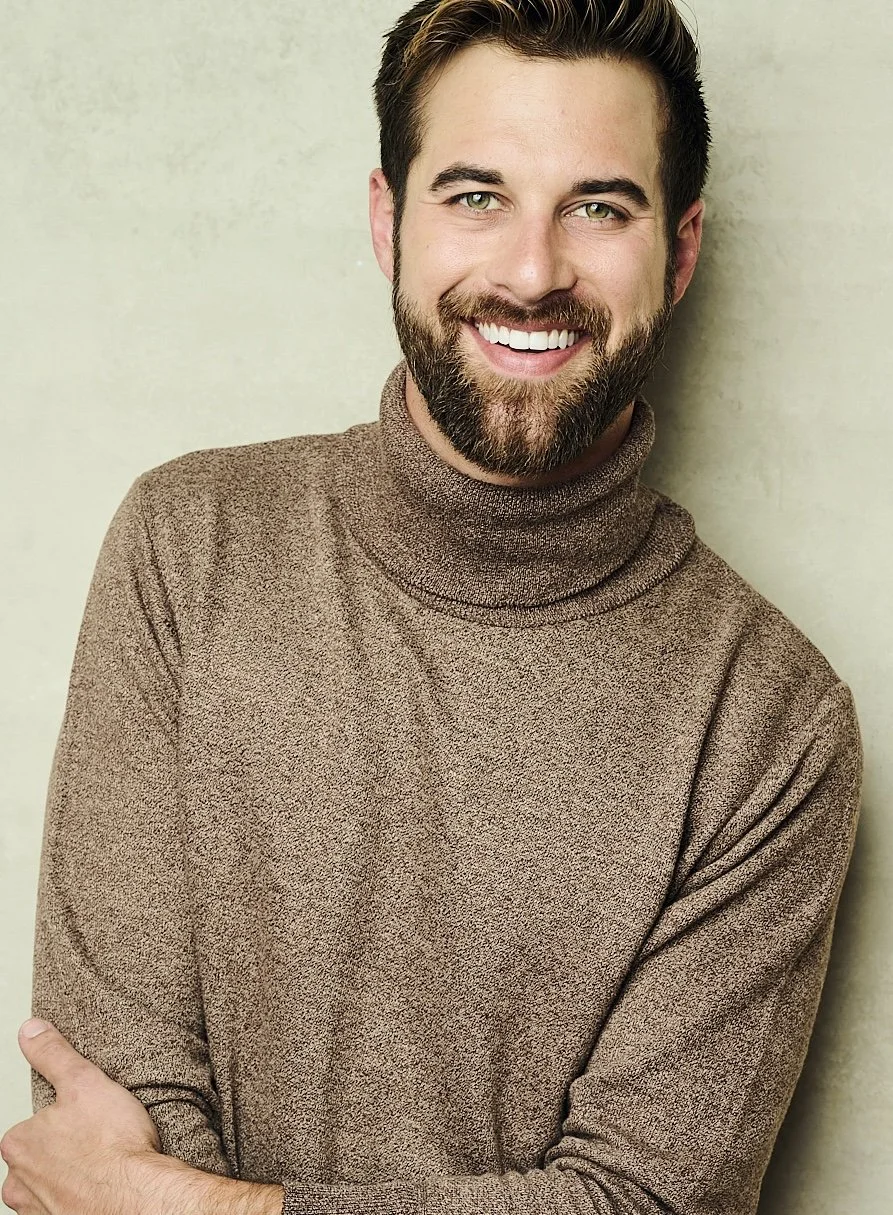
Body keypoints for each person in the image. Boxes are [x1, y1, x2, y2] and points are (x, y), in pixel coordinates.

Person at [0, 2, 863, 1214]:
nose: (530, 271)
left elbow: (642, 1205)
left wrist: (193, 1211)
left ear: (678, 250)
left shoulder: (770, 720)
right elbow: (111, 1113)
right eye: (474, 196)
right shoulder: (186, 545)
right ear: (385, 221)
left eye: (598, 207)